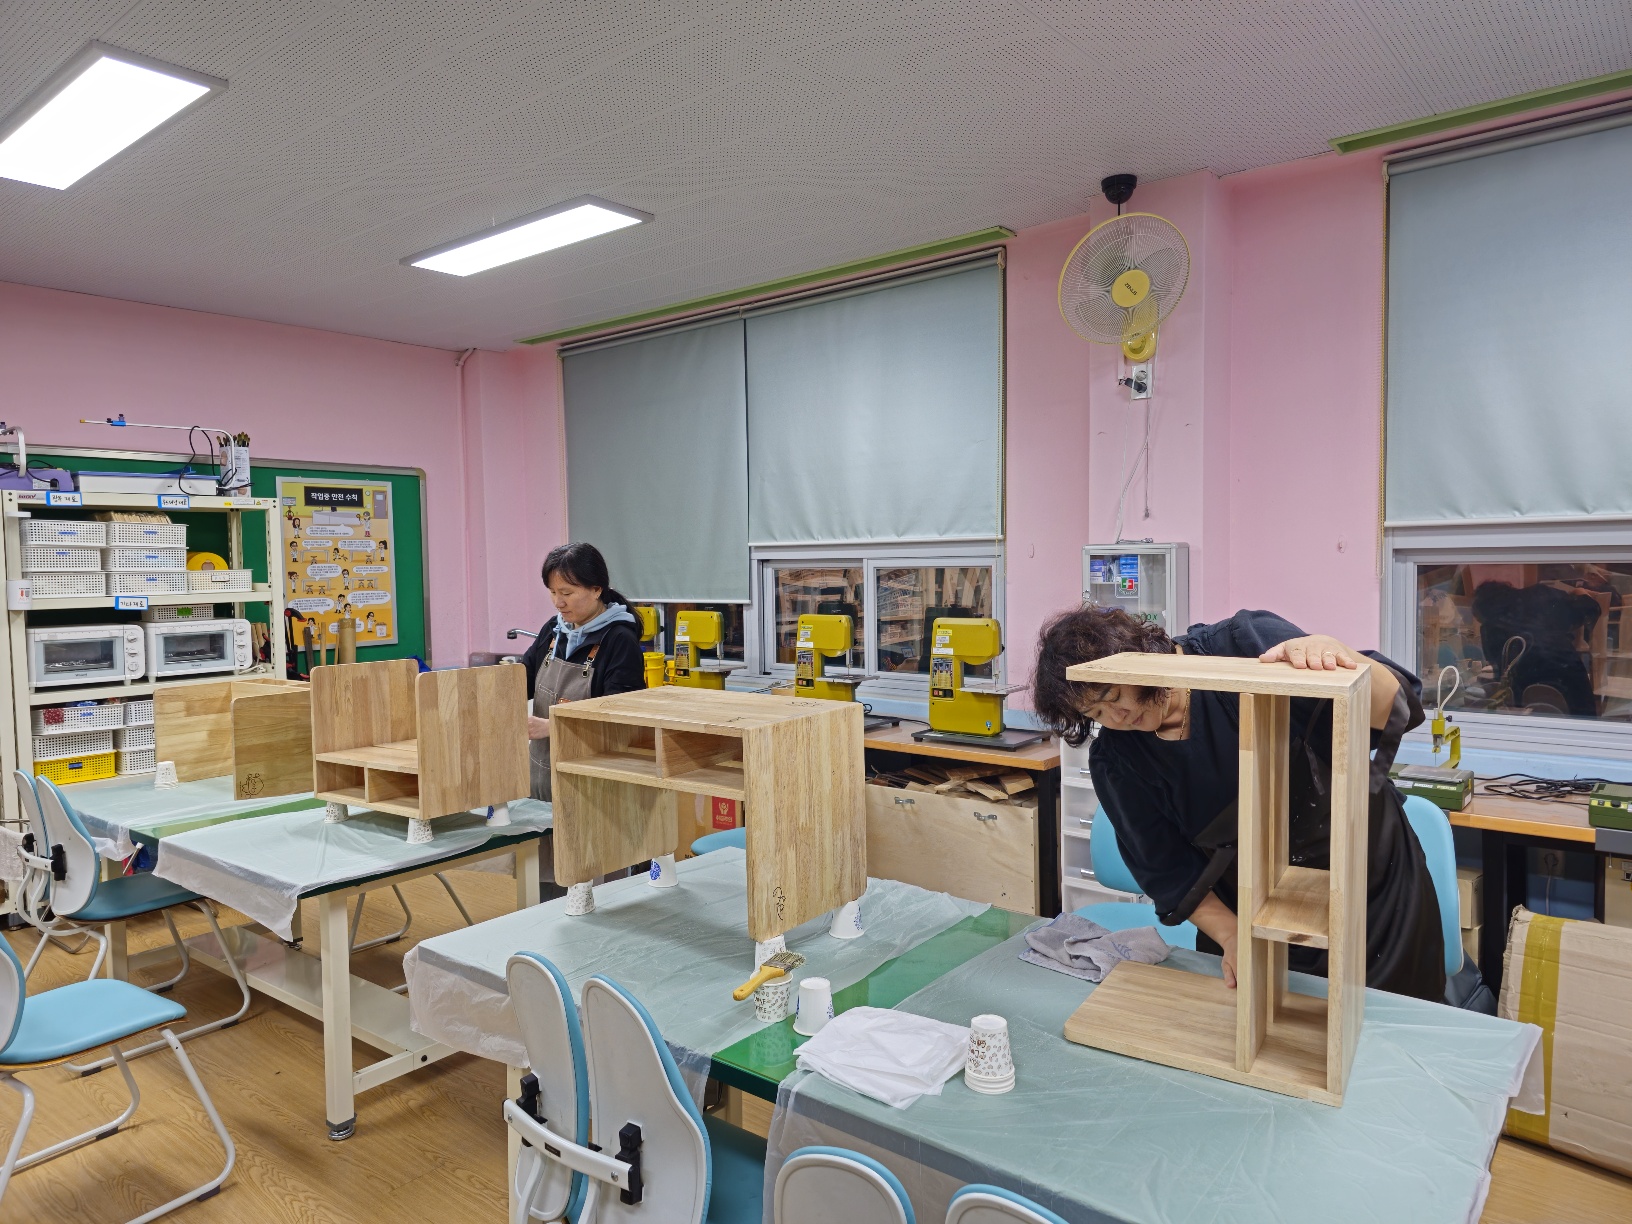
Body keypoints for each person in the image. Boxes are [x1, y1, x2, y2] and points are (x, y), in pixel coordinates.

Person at [1031, 606, 1445, 1002]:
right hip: (1254, 912)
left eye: (1113, 694)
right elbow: (1168, 870)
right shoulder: (1119, 762)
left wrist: (1338, 655)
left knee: (1393, 1026)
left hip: (1374, 887)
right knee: (1268, 1026)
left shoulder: (1245, 645)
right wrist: (1231, 936)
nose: (1117, 716)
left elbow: (1398, 707)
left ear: (1137, 652)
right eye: (1097, 711)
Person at [520, 543, 645, 802]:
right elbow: (521, 681)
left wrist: (551, 726)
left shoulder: (619, 640)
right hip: (541, 781)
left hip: (592, 787)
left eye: (567, 592)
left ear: (597, 589)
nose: (558, 602)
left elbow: (620, 719)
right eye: (552, 592)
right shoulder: (553, 631)